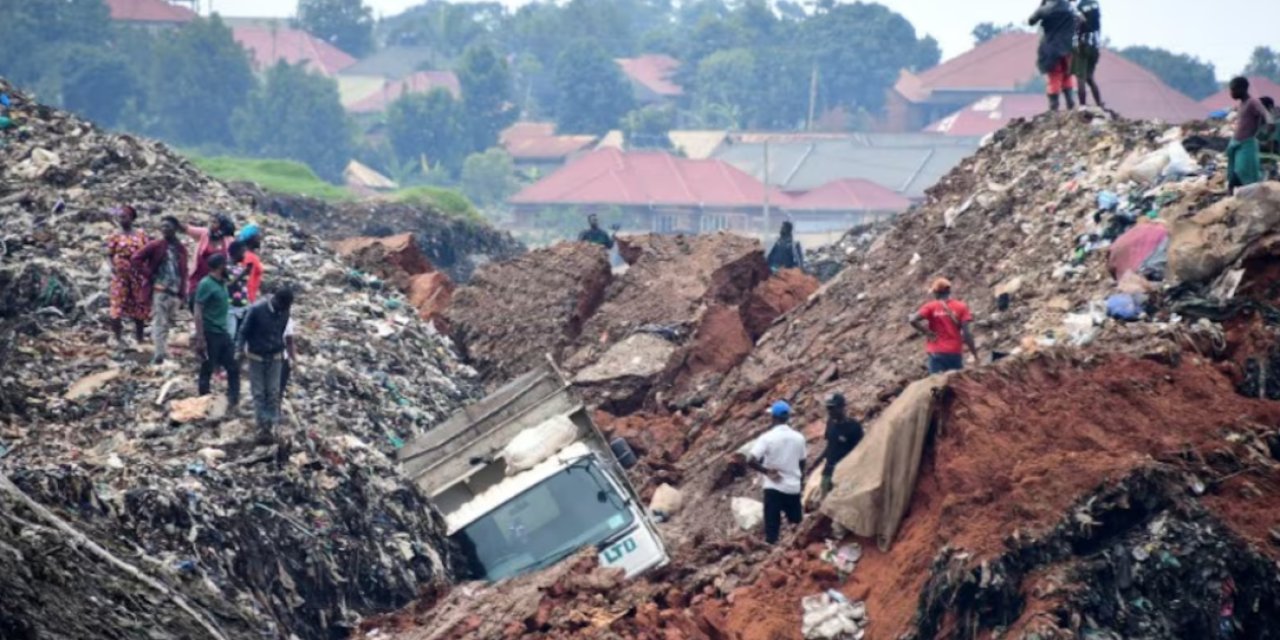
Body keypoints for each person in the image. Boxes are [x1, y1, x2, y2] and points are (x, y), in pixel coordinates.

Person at [237, 288, 294, 441]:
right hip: (256, 357)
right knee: (259, 393)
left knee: (274, 392)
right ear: (276, 301)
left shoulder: (285, 311)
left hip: (275, 356)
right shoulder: (256, 310)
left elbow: (282, 334)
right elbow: (243, 332)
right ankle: (262, 427)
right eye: (283, 307)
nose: (284, 310)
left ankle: (272, 425)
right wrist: (240, 350)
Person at [132, 215, 189, 364]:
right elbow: (136, 259)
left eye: (168, 227)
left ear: (175, 229)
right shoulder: (156, 245)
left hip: (174, 292)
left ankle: (162, 351)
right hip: (160, 290)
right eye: (162, 226)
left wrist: (183, 292)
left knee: (167, 322)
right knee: (159, 322)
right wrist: (149, 274)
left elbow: (183, 271)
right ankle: (159, 354)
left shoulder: (180, 248)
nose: (164, 229)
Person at [747, 401, 807, 544]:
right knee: (796, 522)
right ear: (787, 418)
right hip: (793, 486)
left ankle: (771, 551)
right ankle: (796, 550)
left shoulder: (767, 438)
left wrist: (766, 471)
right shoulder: (799, 437)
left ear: (773, 418)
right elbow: (802, 462)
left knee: (772, 528)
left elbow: (750, 460)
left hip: (773, 487)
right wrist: (800, 479)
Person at [194, 253, 240, 409]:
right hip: (210, 332)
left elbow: (232, 282)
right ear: (220, 266)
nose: (227, 267)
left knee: (232, 366)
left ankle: (233, 399)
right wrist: (200, 337)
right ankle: (204, 401)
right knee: (207, 367)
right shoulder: (206, 284)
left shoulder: (221, 283)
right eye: (225, 264)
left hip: (222, 331)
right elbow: (198, 309)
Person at [909, 278, 979, 374]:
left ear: (935, 292)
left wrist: (927, 332)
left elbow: (913, 320)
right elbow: (967, 334)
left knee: (936, 385)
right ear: (949, 290)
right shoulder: (961, 307)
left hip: (936, 352)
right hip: (954, 353)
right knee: (956, 384)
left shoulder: (931, 306)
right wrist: (974, 354)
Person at [106, 205, 150, 346]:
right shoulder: (115, 235)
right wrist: (112, 267)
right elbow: (109, 254)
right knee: (117, 304)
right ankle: (118, 338)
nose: (121, 219)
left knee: (139, 305)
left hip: (137, 275)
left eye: (124, 216)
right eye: (120, 217)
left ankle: (140, 338)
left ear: (131, 218)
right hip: (121, 275)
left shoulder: (140, 234)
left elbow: (147, 252)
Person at [1030, 0, 1081, 111]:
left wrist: (1042, 5)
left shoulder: (1044, 9)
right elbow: (1081, 20)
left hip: (1051, 48)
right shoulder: (1070, 7)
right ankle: (1070, 104)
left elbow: (1031, 21)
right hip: (1068, 47)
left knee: (1054, 76)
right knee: (1067, 74)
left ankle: (1054, 107)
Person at [1226, 77, 1274, 193]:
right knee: (1233, 175)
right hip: (1236, 145)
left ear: (1242, 89)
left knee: (1244, 174)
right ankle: (1232, 197)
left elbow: (1265, 113)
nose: (1231, 93)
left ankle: (1237, 198)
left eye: (1233, 90)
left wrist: (1269, 123)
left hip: (1246, 145)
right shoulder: (1241, 104)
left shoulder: (1253, 102)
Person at [815, 394, 864, 496]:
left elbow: (860, 450)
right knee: (824, 501)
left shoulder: (853, 427)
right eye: (828, 408)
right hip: (828, 471)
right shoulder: (830, 423)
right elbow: (830, 445)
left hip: (844, 472)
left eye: (832, 408)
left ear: (842, 407)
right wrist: (819, 460)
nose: (830, 411)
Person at [186, 213, 235, 306]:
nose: (211, 224)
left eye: (215, 222)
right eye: (211, 221)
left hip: (217, 280)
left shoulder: (228, 240)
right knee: (195, 302)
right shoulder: (204, 233)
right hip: (198, 278)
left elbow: (234, 258)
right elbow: (188, 229)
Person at [1073, 0, 1104, 108]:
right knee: (1089, 77)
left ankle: (1082, 107)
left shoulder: (1079, 7)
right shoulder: (1095, 4)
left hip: (1083, 45)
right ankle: (1099, 104)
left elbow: (1078, 25)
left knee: (1080, 76)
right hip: (1095, 46)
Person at [225, 241, 253, 340]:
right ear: (236, 252)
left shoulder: (239, 267)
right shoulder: (225, 267)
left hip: (243, 307)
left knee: (240, 337)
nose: (244, 255)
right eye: (242, 252)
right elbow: (227, 286)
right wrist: (243, 274)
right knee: (230, 336)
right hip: (230, 308)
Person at [238, 224, 265, 303]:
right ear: (251, 238)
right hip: (246, 299)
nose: (259, 239)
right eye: (257, 237)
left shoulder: (246, 254)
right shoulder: (250, 257)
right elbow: (247, 281)